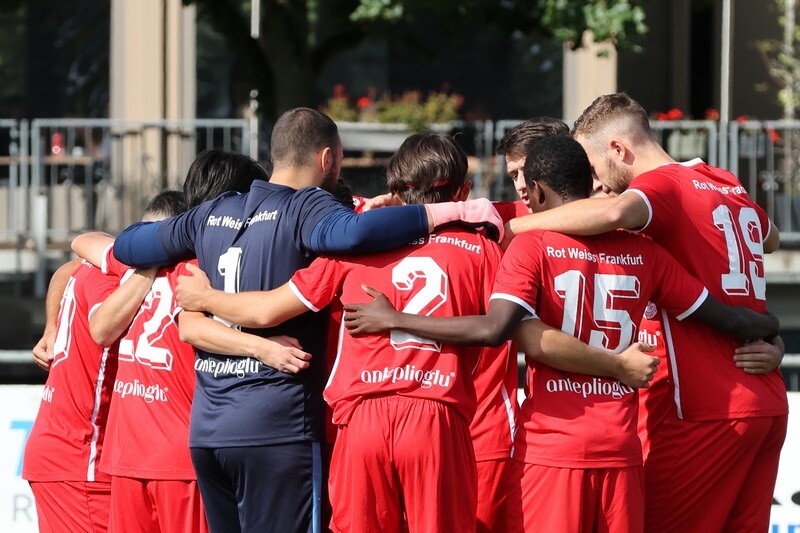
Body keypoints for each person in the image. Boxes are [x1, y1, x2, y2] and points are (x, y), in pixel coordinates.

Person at [343, 136, 780, 531]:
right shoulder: (645, 252)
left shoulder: (528, 246)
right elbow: (719, 313)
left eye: (522, 180)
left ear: (536, 191)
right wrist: (772, 332)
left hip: (551, 450)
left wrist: (395, 315)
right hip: (621, 451)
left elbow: (507, 331)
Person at [110, 108, 503, 532]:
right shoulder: (312, 210)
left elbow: (127, 247)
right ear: (327, 158)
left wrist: (207, 298)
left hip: (213, 431)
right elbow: (354, 235)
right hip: (287, 427)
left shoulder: (211, 214)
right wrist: (454, 212)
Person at [504, 93, 788, 532]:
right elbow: (770, 240)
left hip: (707, 405)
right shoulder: (725, 182)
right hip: (765, 397)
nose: (595, 183)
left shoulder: (663, 187)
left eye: (593, 167)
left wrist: (513, 226)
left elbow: (615, 211)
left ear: (619, 149)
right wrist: (774, 337)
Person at [72, 155, 311, 533]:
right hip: (178, 457)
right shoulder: (207, 267)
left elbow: (82, 245)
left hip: (127, 454)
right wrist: (262, 345)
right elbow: (197, 328)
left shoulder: (139, 259)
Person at [22, 220, 159, 533]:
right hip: (80, 457)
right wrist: (52, 325)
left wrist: (53, 324)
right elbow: (102, 328)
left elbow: (67, 268)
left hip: (69, 452)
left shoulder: (98, 264)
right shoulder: (114, 277)